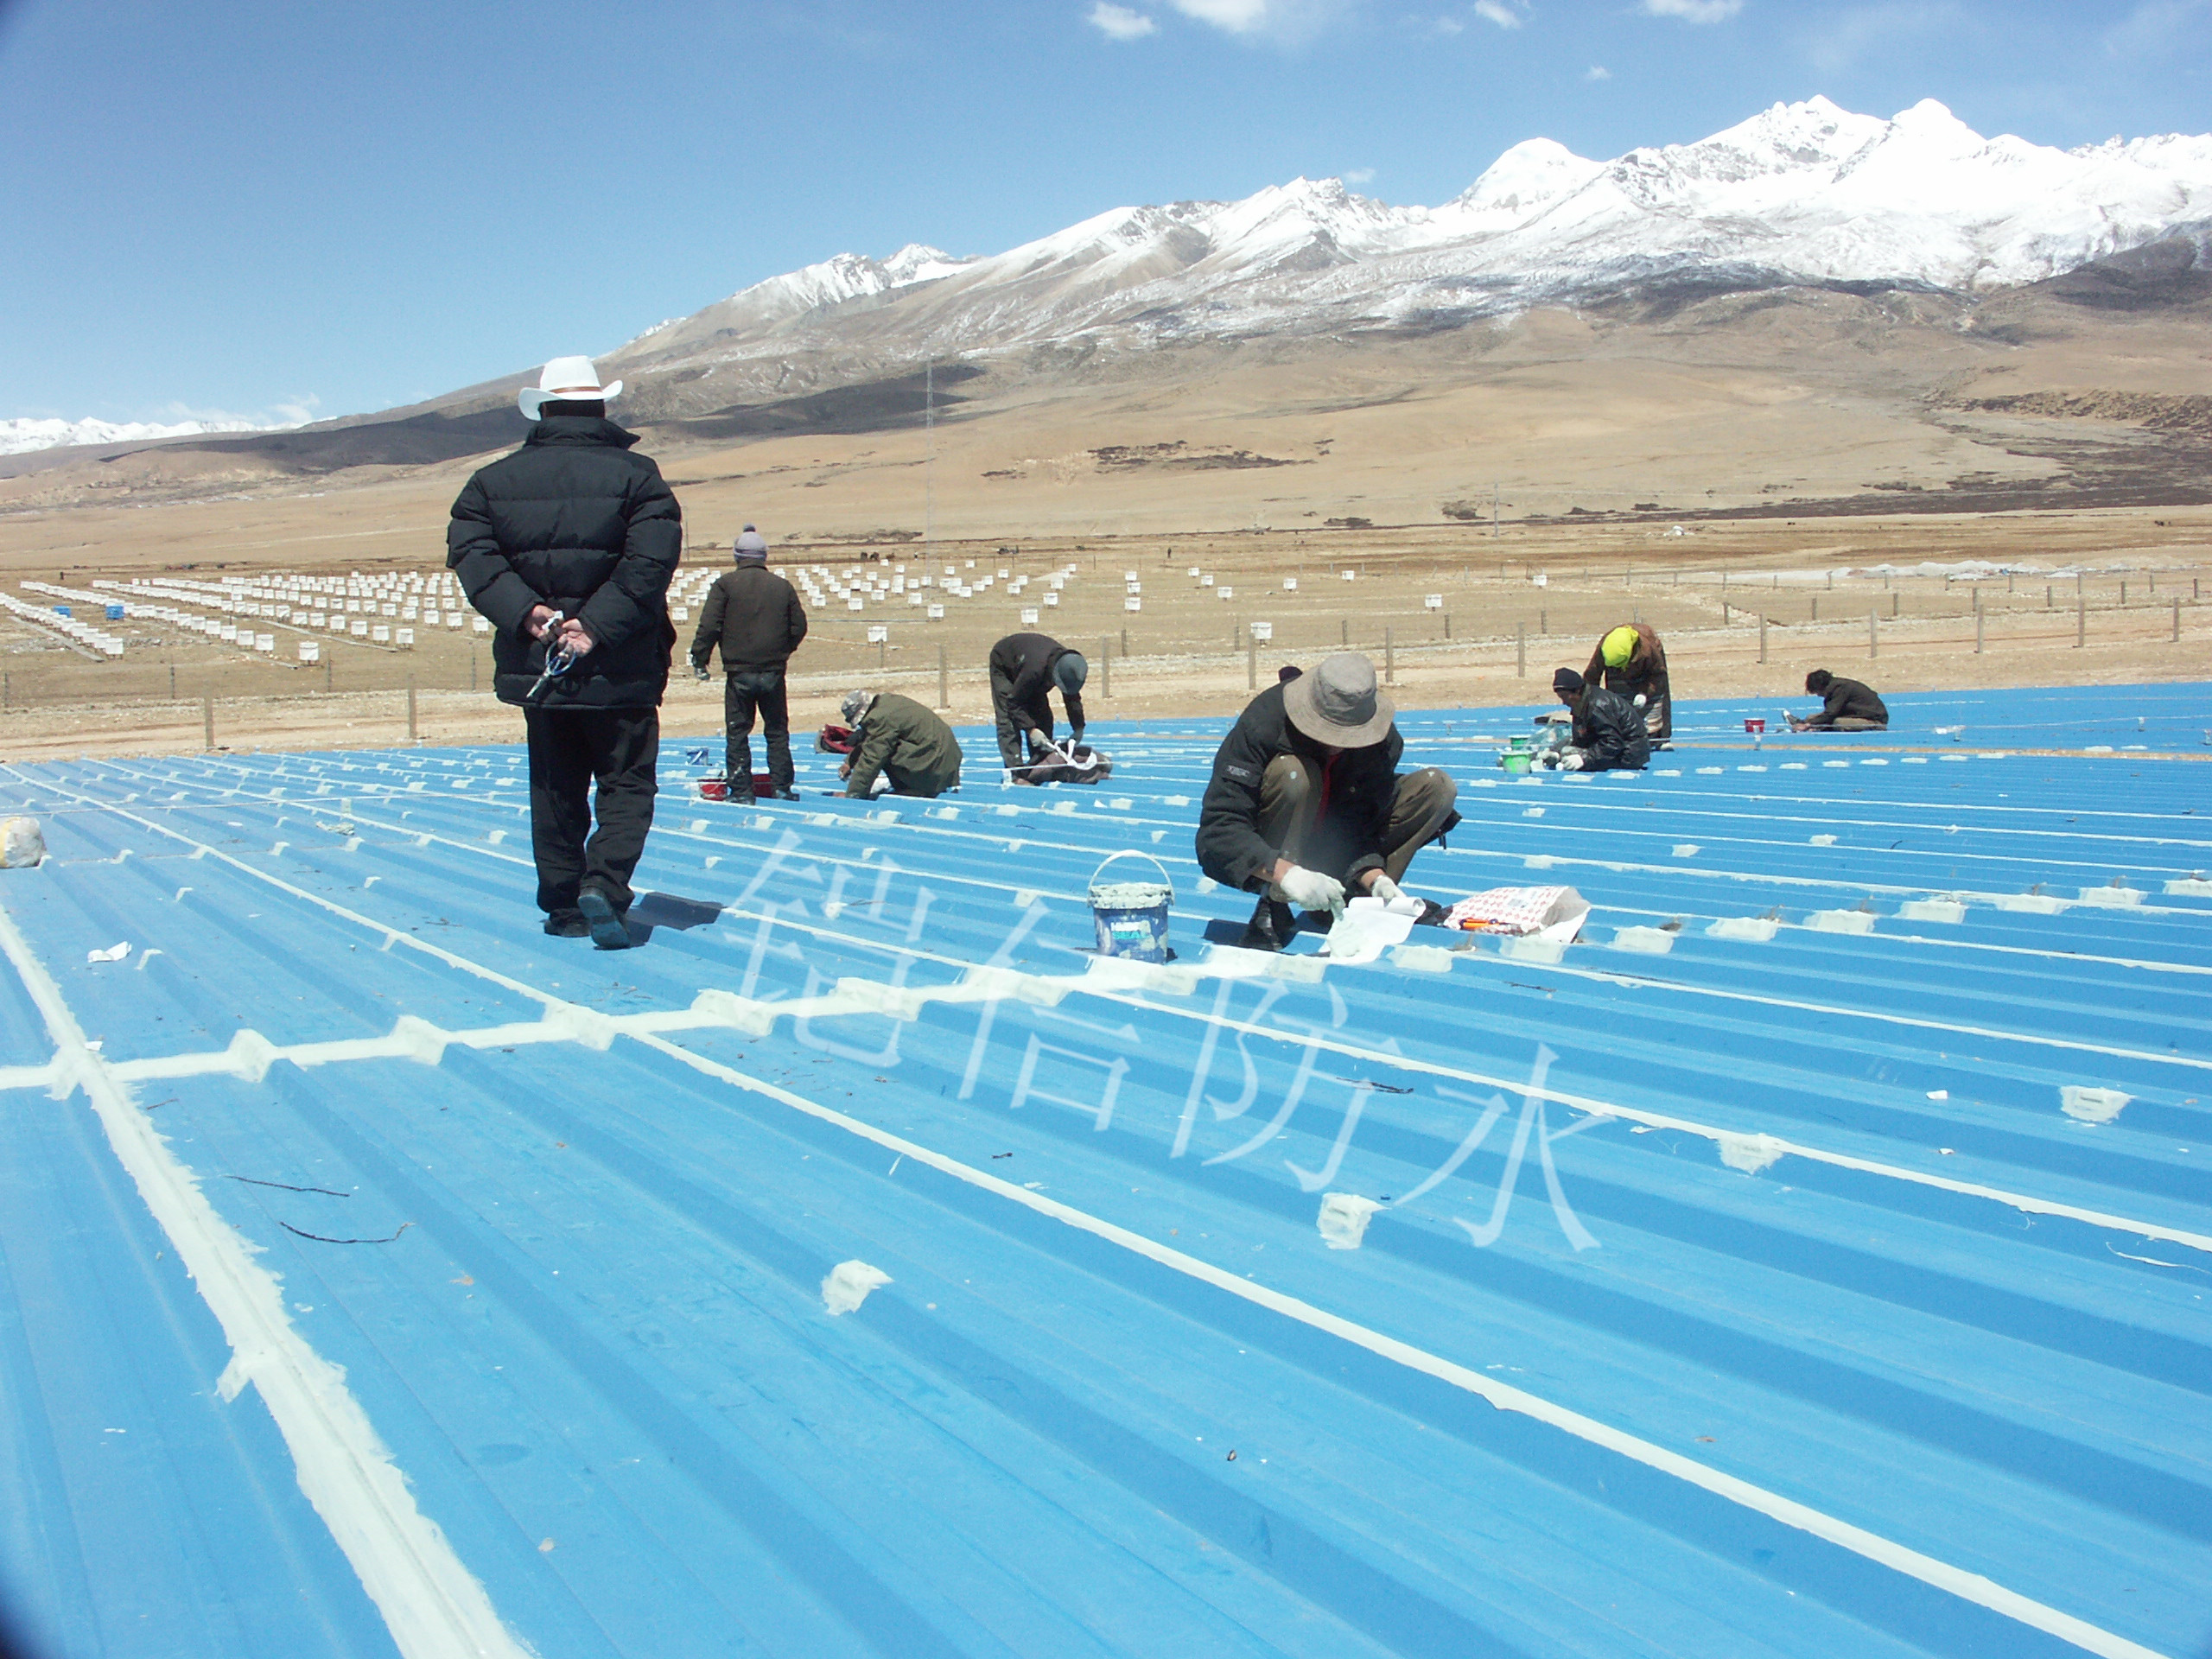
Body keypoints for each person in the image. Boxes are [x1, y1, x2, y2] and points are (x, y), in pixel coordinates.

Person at [448, 355, 679, 950]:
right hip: (622, 663)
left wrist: (531, 615)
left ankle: (565, 906)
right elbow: (650, 562)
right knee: (626, 785)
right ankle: (604, 884)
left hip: (542, 665)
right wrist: (595, 627)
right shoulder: (640, 477)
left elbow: (473, 556)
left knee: (555, 789)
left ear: (542, 411)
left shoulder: (490, 482)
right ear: (600, 408)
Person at [1197, 652, 1459, 952]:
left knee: (1436, 788)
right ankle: (1275, 900)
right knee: (1294, 773)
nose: (1338, 744)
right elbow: (1219, 831)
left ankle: (1352, 899)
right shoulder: (1264, 722)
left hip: (1333, 840)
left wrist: (1376, 878)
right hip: (1276, 841)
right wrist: (1287, 874)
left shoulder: (1383, 742)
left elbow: (1358, 822)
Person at [689, 524, 807, 799]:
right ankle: (781, 787)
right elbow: (799, 626)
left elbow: (709, 626)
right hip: (773, 670)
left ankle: (742, 791)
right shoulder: (782, 587)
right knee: (777, 731)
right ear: (764, 556)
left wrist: (700, 659)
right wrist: (783, 651)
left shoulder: (725, 585)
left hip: (739, 671)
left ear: (737, 555)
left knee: (738, 732)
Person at [988, 631, 1087, 779]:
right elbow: (1013, 703)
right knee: (1008, 722)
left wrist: (1078, 726)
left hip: (1031, 667)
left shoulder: (1068, 665)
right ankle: (1015, 772)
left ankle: (1040, 765)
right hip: (1004, 664)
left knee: (1043, 717)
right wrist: (1031, 730)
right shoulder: (1034, 671)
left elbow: (1072, 698)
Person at [838, 689, 963, 798]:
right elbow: (871, 739)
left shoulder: (880, 718)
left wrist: (854, 795)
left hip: (933, 766)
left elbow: (872, 757)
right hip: (944, 762)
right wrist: (850, 761)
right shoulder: (886, 704)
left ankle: (914, 789)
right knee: (882, 746)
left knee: (884, 752)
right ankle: (914, 785)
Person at [1543, 668, 1650, 771]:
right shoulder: (1581, 703)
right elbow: (1582, 739)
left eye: (1565, 697)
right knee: (1567, 749)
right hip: (1618, 749)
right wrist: (1558, 752)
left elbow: (1613, 743)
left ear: (1577, 691)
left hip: (1629, 754)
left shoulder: (1597, 706)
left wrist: (1585, 758)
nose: (1564, 702)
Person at [1584, 622, 1671, 743]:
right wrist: (1590, 699)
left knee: (1654, 700)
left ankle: (1661, 737)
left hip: (1647, 671)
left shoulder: (1648, 649)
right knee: (1618, 702)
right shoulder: (1605, 648)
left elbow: (1658, 675)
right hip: (1619, 669)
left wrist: (1644, 693)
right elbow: (1592, 675)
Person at [1789, 669, 1889, 731]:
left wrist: (1808, 725)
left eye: (1817, 692)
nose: (1819, 695)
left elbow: (1831, 713)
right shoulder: (1835, 686)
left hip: (1874, 720)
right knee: (1811, 717)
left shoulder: (1840, 688)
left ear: (1821, 687)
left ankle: (1809, 726)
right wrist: (1809, 722)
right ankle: (1802, 723)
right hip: (1855, 715)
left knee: (1839, 723)